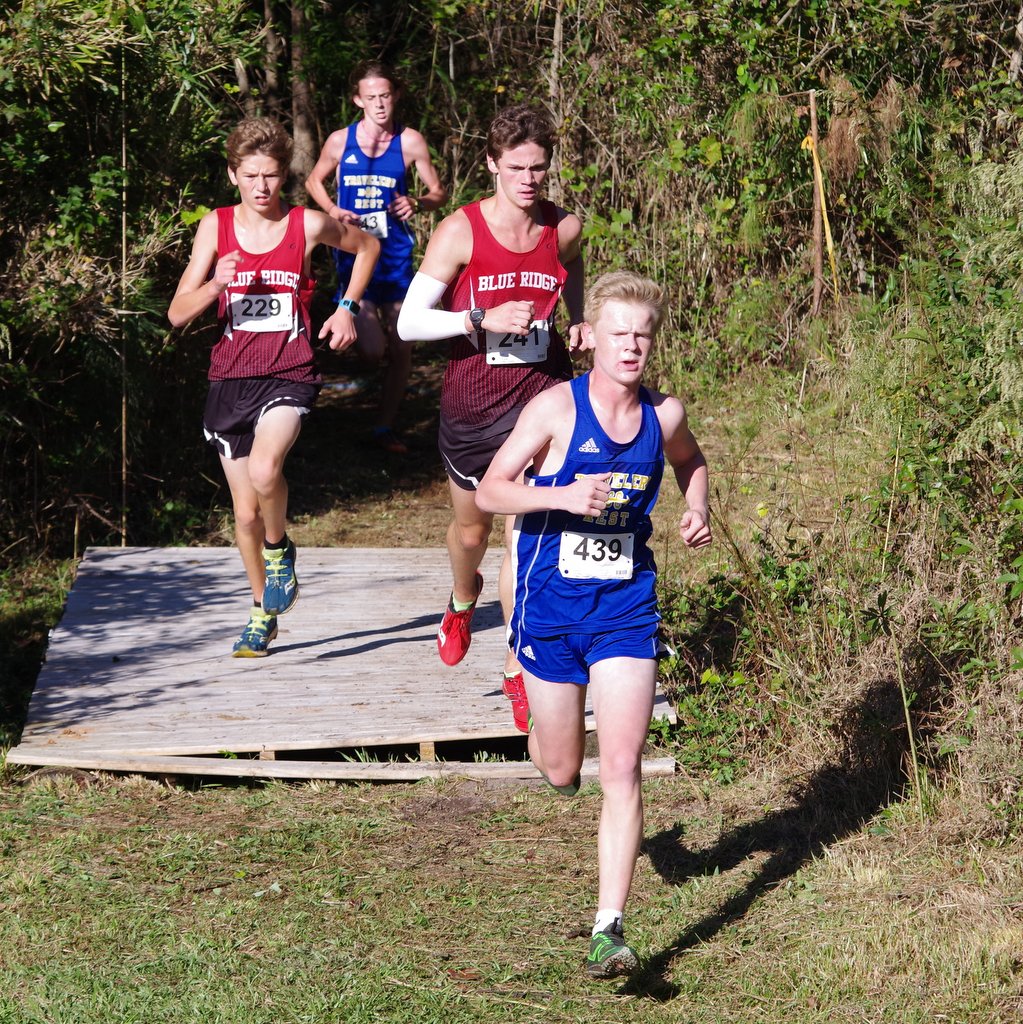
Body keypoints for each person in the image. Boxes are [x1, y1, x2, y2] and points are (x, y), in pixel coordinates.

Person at [476, 271, 712, 978]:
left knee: (622, 767)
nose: (631, 346)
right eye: (618, 334)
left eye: (642, 335)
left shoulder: (663, 415)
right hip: (550, 609)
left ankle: (608, 929)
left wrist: (695, 506)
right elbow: (490, 490)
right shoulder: (555, 408)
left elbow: (691, 460)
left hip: (624, 609)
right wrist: (562, 495)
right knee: (561, 769)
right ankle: (526, 694)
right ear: (593, 340)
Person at [396, 103, 583, 728]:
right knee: (472, 534)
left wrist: (579, 318)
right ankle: (461, 597)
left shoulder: (564, 227)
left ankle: (516, 667)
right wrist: (480, 318)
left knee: (523, 538)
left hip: (542, 397)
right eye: (516, 168)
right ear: (492, 165)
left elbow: (572, 269)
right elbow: (409, 323)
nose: (529, 179)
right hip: (473, 404)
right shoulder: (461, 231)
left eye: (538, 167)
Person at [169, 117, 379, 657]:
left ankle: (279, 548)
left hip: (289, 373)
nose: (261, 186)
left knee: (266, 469)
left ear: (284, 175)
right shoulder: (215, 228)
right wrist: (215, 284)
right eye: (251, 175)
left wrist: (347, 307)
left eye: (271, 175)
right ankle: (262, 612)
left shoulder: (304, 224)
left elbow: (367, 247)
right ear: (233, 175)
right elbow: (176, 313)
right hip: (229, 380)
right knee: (244, 514)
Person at [305, 60, 447, 455]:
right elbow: (313, 180)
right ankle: (364, 385)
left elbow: (438, 193)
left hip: (395, 256)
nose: (380, 104)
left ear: (395, 95)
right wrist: (332, 210)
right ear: (358, 100)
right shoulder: (340, 141)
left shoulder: (410, 141)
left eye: (386, 95)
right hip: (354, 258)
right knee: (372, 350)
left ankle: (385, 425)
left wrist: (418, 202)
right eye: (372, 97)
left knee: (402, 344)